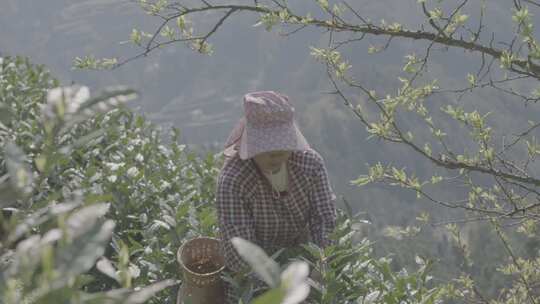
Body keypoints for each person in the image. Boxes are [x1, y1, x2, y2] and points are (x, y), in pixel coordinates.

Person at [216, 91, 337, 302]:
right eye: (268, 147)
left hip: (303, 266)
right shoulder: (234, 180)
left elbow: (324, 218)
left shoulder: (309, 164)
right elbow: (241, 254)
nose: (277, 154)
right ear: (251, 143)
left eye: (283, 145)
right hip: (252, 283)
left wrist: (321, 262)